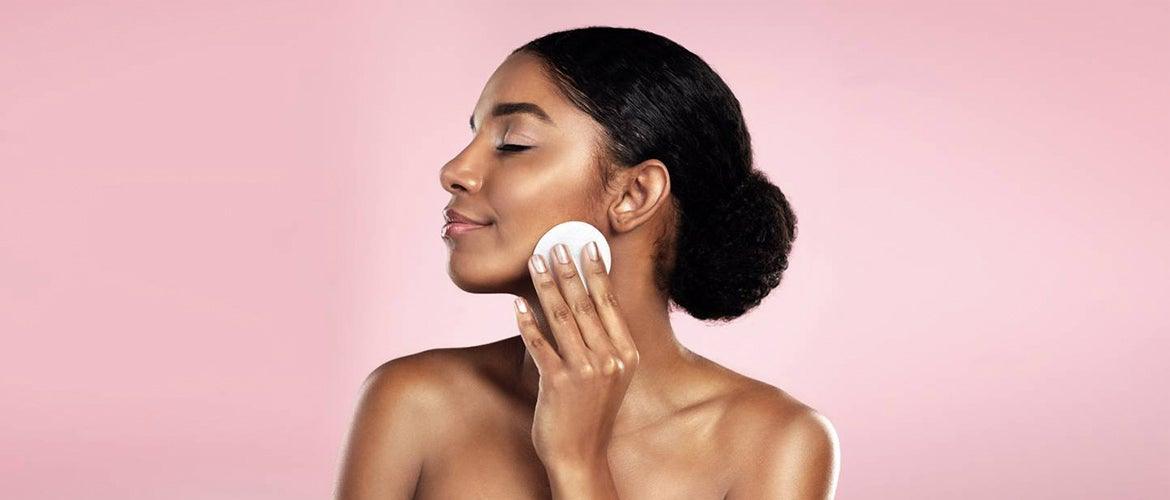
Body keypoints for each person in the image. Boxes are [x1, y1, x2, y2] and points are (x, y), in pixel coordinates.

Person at [335, 26, 839, 499]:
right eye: (472, 137)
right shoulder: (412, 402)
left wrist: (579, 461)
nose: (455, 171)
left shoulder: (776, 441)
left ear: (634, 193)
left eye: (512, 144)